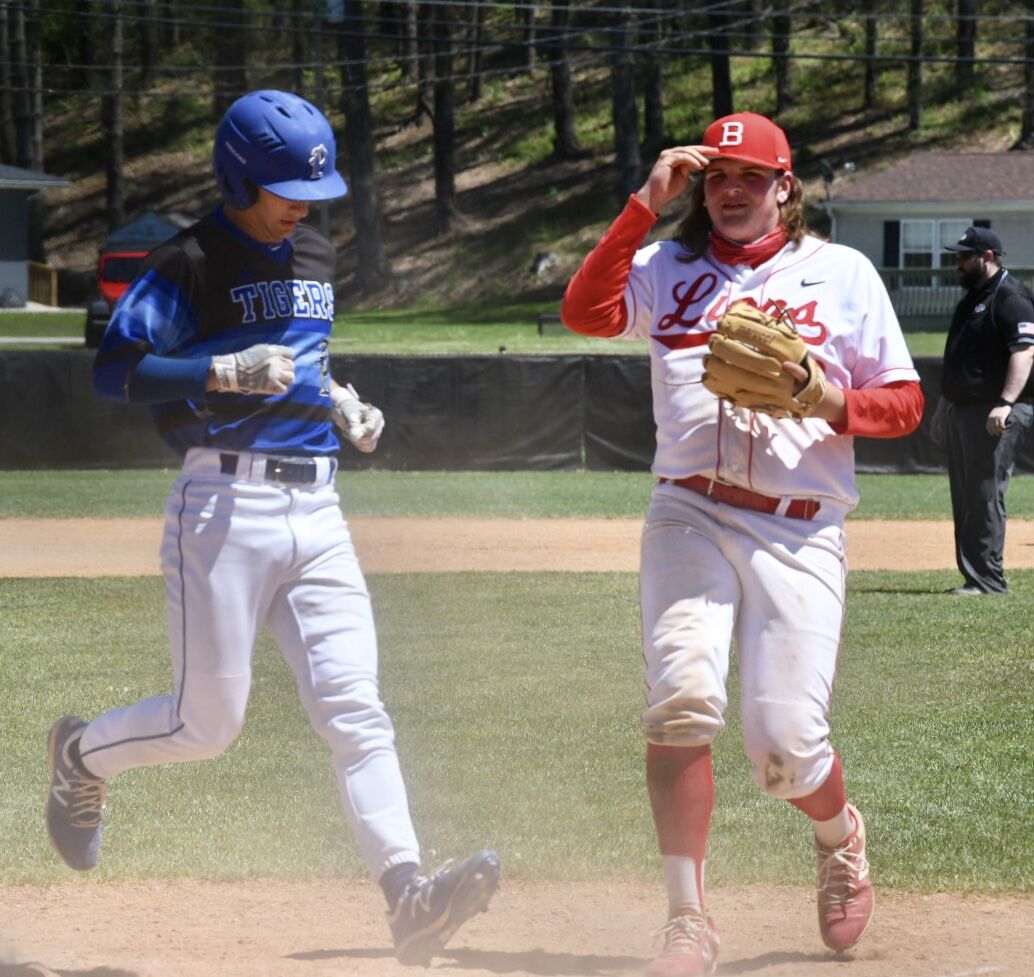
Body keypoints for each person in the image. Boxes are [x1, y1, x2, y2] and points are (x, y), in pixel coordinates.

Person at [44, 89, 499, 966]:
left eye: (312, 188)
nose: (301, 203)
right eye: (284, 186)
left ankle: (407, 894)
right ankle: (80, 754)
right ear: (236, 176)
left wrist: (338, 401)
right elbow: (114, 371)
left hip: (320, 508)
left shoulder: (315, 249)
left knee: (356, 709)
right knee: (206, 725)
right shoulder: (191, 259)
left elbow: (303, 355)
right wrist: (217, 368)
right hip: (223, 510)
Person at [560, 112, 924, 975]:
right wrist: (642, 206)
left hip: (799, 528)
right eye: (717, 175)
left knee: (786, 747)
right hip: (687, 510)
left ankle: (839, 837)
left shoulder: (841, 273)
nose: (730, 190)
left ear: (784, 187)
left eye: (750, 177)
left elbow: (905, 404)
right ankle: (687, 918)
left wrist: (830, 402)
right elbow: (584, 313)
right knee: (681, 699)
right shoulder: (664, 265)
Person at [930, 226, 1034, 596]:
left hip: (994, 412)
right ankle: (974, 577)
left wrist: (1005, 403)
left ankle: (988, 580)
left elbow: (1024, 352)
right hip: (964, 409)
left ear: (987, 257)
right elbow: (959, 360)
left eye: (964, 256)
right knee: (966, 493)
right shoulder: (972, 300)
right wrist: (944, 407)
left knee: (984, 492)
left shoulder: (1011, 298)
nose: (957, 263)